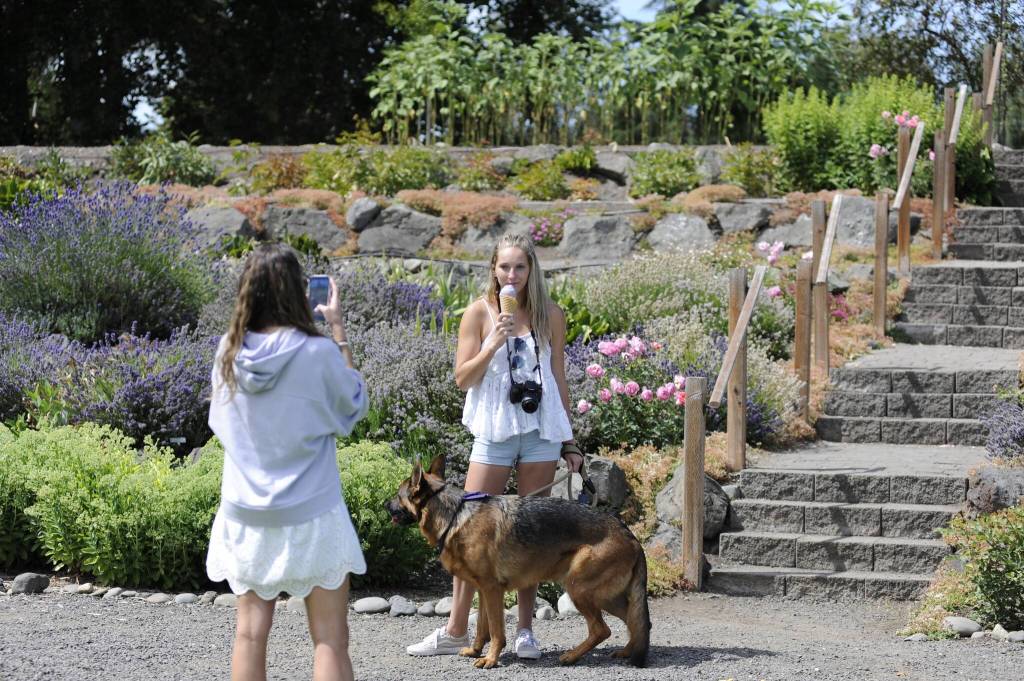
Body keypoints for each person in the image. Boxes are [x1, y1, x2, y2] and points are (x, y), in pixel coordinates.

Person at [407, 233, 584, 660]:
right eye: (504, 267)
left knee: (530, 533)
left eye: (520, 267)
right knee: (468, 530)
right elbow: (462, 378)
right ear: (493, 269)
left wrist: (569, 440)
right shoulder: (478, 312)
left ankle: (525, 631)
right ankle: (456, 630)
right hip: (494, 430)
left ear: (531, 269)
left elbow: (557, 377)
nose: (512, 275)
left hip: (540, 431)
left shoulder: (550, 314)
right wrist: (492, 344)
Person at [206, 243, 369, 681]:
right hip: (312, 508)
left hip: (246, 510)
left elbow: (219, 422)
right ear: (299, 290)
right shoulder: (316, 351)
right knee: (330, 639)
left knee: (249, 635)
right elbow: (353, 406)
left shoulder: (229, 350)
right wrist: (338, 331)